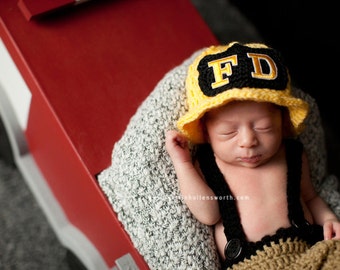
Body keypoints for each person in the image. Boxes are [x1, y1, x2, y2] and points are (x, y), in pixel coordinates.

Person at [165, 42, 340, 269]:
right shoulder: (209, 164)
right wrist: (183, 163)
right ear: (206, 133)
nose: (248, 141)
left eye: (264, 127)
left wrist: (329, 219)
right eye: (229, 132)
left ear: (283, 122)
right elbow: (208, 214)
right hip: (251, 262)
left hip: (308, 249)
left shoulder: (291, 154)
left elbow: (310, 197)